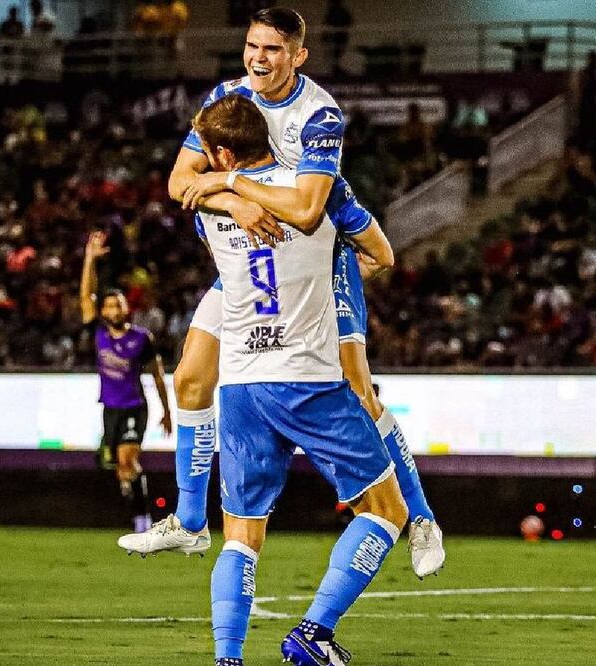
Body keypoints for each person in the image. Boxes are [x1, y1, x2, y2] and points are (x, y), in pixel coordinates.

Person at [119, 7, 445, 578]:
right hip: (252, 253)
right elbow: (179, 183)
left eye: (271, 50)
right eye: (251, 46)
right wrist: (236, 202)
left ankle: (419, 518)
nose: (258, 59)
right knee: (192, 377)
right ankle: (190, 522)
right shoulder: (227, 96)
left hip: (322, 258)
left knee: (359, 392)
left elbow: (310, 208)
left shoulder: (319, 113)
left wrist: (228, 185)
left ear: (299, 55)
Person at [173, 92, 407, 666]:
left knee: (241, 534)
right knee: (386, 511)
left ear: (224, 152)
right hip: (308, 378)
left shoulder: (211, 206)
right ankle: (314, 631)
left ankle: (227, 657)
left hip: (242, 386)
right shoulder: (322, 194)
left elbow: (197, 188)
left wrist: (224, 186)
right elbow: (382, 255)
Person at [81, 231, 173, 533]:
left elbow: (157, 375)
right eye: (108, 306)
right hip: (111, 409)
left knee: (128, 459)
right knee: (120, 469)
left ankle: (143, 520)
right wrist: (90, 259)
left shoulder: (141, 339)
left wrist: (167, 410)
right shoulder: (99, 333)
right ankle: (136, 503)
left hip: (135, 407)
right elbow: (86, 297)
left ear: (126, 309)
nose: (112, 310)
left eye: (118, 305)